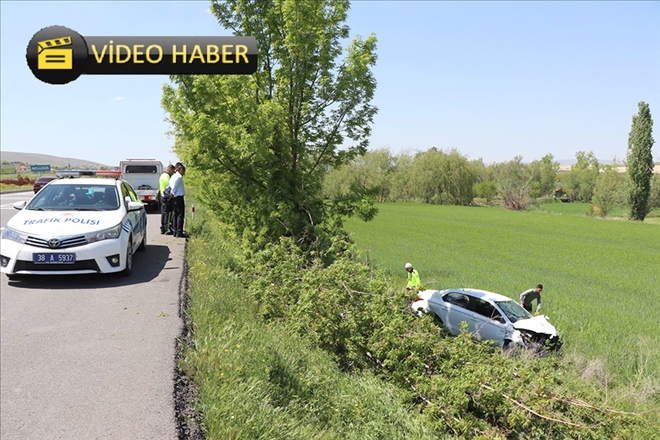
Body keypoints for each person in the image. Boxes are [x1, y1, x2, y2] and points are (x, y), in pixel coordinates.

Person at [167, 162, 187, 238]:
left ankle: (175, 230)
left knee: (175, 215)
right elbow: (174, 187)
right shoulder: (178, 177)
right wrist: (171, 195)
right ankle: (179, 232)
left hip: (174, 198)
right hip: (178, 197)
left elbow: (170, 185)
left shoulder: (173, 176)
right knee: (180, 215)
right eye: (183, 171)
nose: (184, 173)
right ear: (180, 170)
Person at [159, 164, 175, 235]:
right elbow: (168, 186)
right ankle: (165, 228)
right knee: (166, 213)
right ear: (170, 169)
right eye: (172, 171)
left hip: (163, 196)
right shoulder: (166, 176)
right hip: (166, 196)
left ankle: (163, 227)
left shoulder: (163, 175)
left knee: (164, 213)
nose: (173, 173)